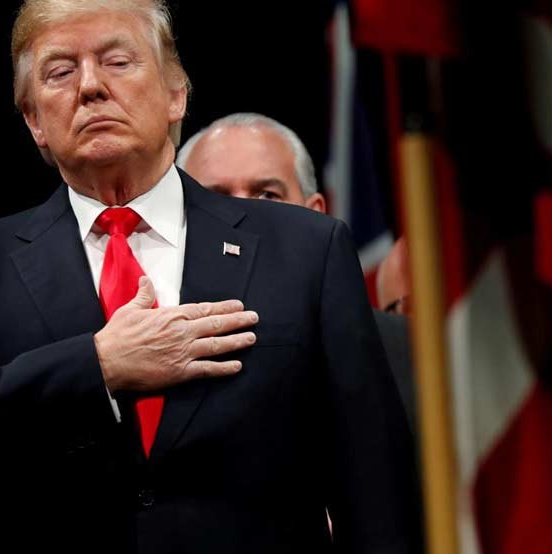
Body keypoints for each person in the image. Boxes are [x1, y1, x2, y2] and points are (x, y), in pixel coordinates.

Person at [0, 2, 421, 554]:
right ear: (34, 120)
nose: (90, 86)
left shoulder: (306, 249)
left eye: (117, 60)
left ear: (176, 95)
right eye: (59, 73)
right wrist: (97, 367)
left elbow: (376, 495)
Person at [177, 113, 416, 429]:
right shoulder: (156, 355)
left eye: (267, 195)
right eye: (215, 199)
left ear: (316, 215)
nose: (241, 220)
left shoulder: (406, 352)